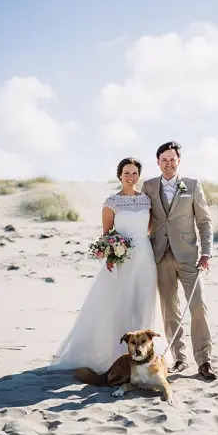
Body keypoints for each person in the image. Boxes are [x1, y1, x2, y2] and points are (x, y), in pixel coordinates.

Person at [50, 158, 168, 373]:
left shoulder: (146, 200)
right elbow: (106, 236)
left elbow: (150, 229)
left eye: (134, 173)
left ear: (138, 176)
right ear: (119, 175)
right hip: (122, 261)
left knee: (144, 301)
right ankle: (117, 356)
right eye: (126, 173)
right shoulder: (111, 202)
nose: (130, 177)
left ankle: (146, 356)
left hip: (145, 258)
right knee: (120, 305)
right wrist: (113, 253)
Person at [142, 141, 217, 381]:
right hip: (160, 256)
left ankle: (204, 361)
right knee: (169, 311)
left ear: (179, 161)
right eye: (164, 160)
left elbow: (204, 222)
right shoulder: (149, 186)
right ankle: (179, 358)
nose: (168, 164)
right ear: (157, 162)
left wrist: (206, 253)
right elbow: (143, 218)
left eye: (172, 160)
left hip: (189, 258)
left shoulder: (193, 186)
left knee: (198, 306)